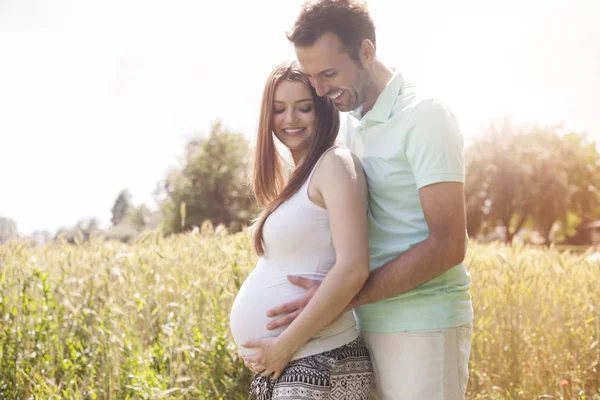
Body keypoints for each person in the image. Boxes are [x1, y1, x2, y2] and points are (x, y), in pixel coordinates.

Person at [254, 1, 474, 399]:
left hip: (422, 325)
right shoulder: (352, 125)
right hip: (360, 326)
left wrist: (345, 296)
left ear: (367, 52)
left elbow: (448, 245)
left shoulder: (425, 117)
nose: (319, 90)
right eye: (311, 77)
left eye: (328, 73)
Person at [229, 60, 373, 399]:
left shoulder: (335, 164)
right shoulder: (298, 177)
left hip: (321, 359)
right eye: (279, 109)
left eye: (303, 107)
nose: (290, 119)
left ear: (323, 109)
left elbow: (354, 267)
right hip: (292, 363)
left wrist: (284, 344)